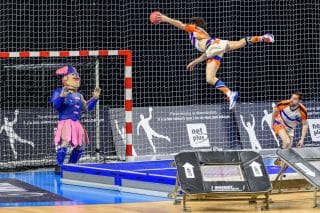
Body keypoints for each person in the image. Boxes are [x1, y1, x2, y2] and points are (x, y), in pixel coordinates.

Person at [156, 13, 274, 109]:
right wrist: (194, 62)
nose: (188, 25)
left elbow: (180, 24)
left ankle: (230, 93)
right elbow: (206, 55)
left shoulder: (194, 28)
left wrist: (165, 18)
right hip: (214, 47)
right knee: (210, 77)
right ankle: (265, 37)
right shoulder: (203, 34)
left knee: (238, 45)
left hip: (213, 46)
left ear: (194, 24)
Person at [50, 66, 101, 174]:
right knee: (65, 142)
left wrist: (95, 99)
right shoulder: (59, 91)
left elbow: (86, 109)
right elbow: (56, 106)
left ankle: (71, 166)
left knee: (81, 145)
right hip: (65, 122)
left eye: (77, 75)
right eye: (73, 75)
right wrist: (62, 96)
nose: (77, 77)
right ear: (65, 78)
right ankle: (59, 166)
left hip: (77, 124)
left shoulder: (79, 95)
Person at [271, 92, 308, 165]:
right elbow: (274, 112)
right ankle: (280, 161)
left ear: (299, 101)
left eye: (294, 99)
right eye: (291, 97)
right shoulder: (283, 104)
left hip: (290, 129)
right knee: (287, 141)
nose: (291, 100)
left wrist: (302, 139)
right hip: (279, 122)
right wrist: (272, 125)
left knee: (288, 148)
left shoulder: (303, 110)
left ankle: (279, 159)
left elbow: (305, 124)